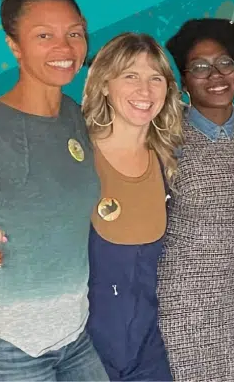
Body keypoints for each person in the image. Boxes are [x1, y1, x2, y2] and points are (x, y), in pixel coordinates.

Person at [0, 0, 108, 381]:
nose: (65, 47)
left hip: (73, 334)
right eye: (44, 36)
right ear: (14, 45)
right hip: (11, 346)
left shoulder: (75, 117)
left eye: (74, 33)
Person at [157, 18, 234, 381]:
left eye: (224, 62)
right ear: (184, 79)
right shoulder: (165, 137)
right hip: (181, 301)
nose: (216, 75)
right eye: (200, 67)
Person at [81, 33, 184, 381]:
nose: (146, 90)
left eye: (156, 78)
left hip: (148, 356)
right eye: (131, 76)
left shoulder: (168, 164)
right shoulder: (71, 157)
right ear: (104, 84)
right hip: (80, 356)